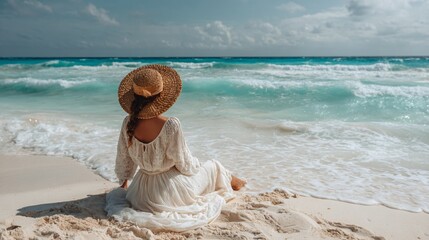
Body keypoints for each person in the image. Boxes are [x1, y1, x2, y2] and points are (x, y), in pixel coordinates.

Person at [105, 64, 246, 232]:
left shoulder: (128, 122)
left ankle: (234, 181)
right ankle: (239, 183)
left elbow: (123, 156)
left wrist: (125, 182)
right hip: (168, 193)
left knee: (208, 168)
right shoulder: (170, 124)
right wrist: (197, 167)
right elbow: (184, 164)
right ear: (161, 96)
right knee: (213, 166)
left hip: (139, 193)